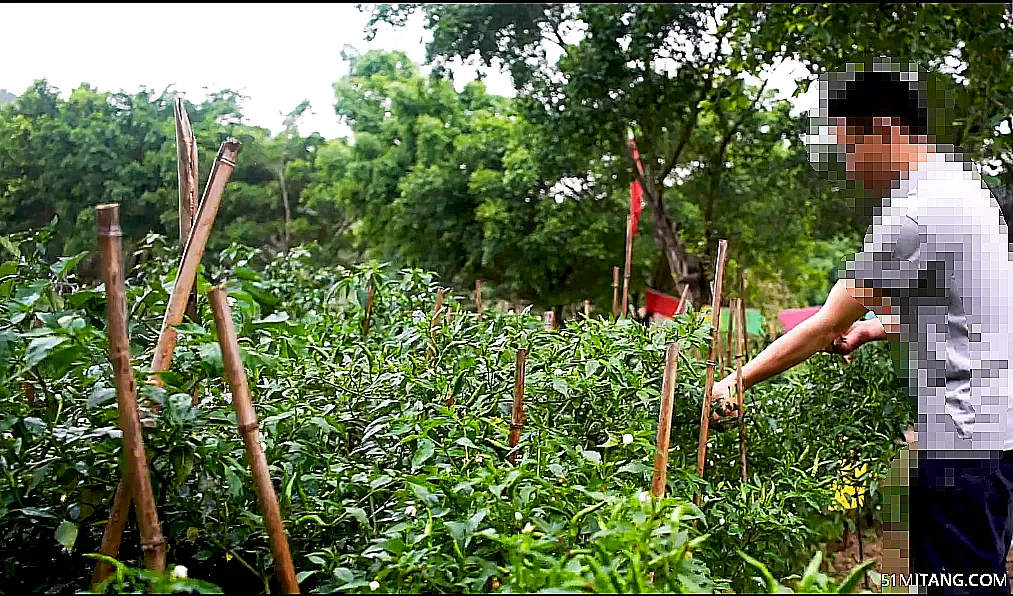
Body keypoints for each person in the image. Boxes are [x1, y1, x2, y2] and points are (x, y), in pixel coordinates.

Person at [710, 59, 1013, 593]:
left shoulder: (915, 214)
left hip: (965, 443)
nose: (849, 166)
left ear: (886, 132)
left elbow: (826, 324)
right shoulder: (968, 193)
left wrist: (736, 382)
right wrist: (876, 329)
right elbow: (974, 314)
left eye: (851, 147)